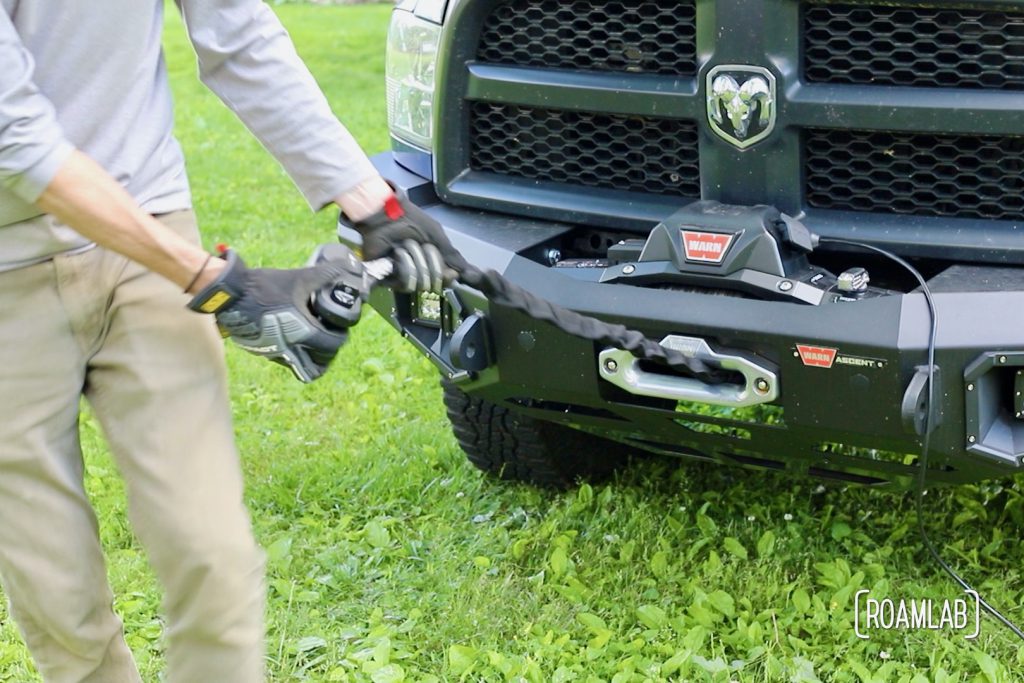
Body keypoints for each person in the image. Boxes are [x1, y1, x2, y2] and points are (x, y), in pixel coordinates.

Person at [0, 1, 455, 681]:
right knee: (60, 602)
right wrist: (216, 282)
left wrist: (371, 201)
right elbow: (17, 140)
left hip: (143, 232)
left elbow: (237, 31)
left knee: (211, 550)